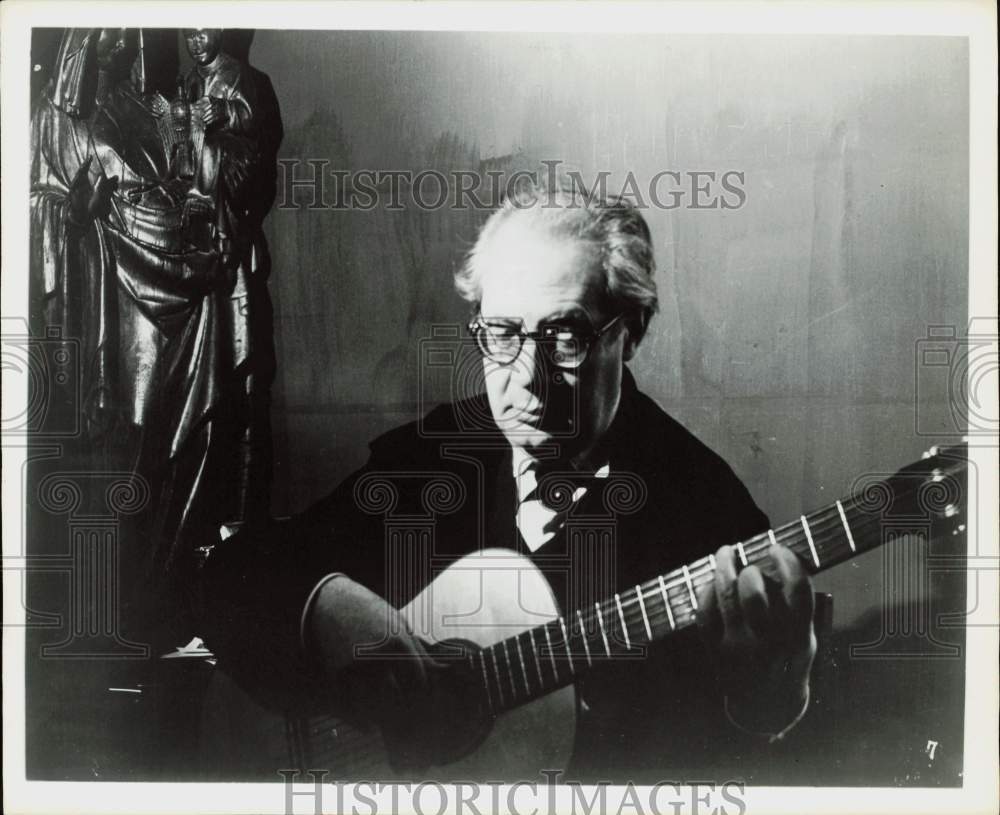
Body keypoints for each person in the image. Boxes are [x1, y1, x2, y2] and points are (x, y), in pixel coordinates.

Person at [201, 184, 816, 782]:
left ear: (631, 332)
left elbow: (751, 774)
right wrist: (329, 610)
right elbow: (230, 578)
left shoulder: (707, 511)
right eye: (502, 334)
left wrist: (768, 700)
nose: (525, 378)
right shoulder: (436, 456)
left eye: (565, 337)